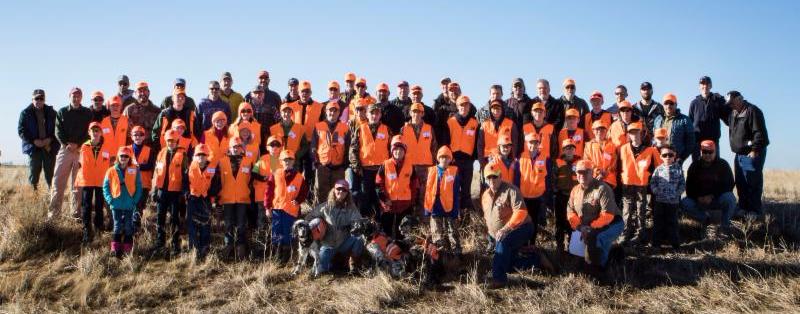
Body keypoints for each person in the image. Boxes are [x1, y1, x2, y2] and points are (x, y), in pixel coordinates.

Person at [482, 163, 551, 289]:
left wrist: (505, 229)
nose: (492, 180)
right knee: (507, 264)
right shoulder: (485, 196)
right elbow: (488, 218)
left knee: (503, 242)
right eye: (489, 178)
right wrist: (491, 236)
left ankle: (499, 279)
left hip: (522, 228)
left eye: (495, 177)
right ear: (485, 180)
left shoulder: (511, 190)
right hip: (500, 234)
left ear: (500, 176)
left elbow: (521, 212)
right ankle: (537, 260)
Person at [566, 160, 623, 275]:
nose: (582, 175)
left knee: (594, 240)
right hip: (586, 227)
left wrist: (589, 229)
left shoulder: (602, 188)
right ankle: (613, 252)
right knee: (576, 254)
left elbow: (607, 215)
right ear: (576, 174)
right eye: (579, 172)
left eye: (585, 172)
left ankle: (598, 273)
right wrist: (579, 227)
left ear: (592, 173)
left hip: (612, 223)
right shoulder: (575, 190)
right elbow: (570, 212)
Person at [49, 87, 93, 220]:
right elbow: (57, 130)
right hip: (65, 149)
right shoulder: (62, 112)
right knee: (58, 183)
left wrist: (78, 145)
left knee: (77, 185)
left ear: (82, 97)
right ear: (69, 96)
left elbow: (90, 131)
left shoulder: (87, 112)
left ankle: (75, 214)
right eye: (73, 96)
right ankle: (53, 215)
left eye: (78, 95)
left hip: (81, 151)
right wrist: (67, 144)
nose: (76, 98)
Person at [725, 90, 769, 217]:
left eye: (732, 103)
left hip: (751, 153)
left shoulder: (753, 111)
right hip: (739, 154)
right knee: (740, 182)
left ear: (740, 99)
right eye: (729, 104)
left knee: (752, 182)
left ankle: (754, 210)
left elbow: (759, 133)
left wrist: (755, 150)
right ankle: (743, 207)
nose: (731, 106)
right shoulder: (733, 113)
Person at [306, 180, 365, 275]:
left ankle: (353, 266)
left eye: (344, 190)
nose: (341, 192)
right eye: (338, 189)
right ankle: (332, 263)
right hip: (327, 245)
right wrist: (316, 228)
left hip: (344, 243)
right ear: (334, 190)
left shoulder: (351, 208)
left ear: (347, 193)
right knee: (317, 272)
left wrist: (357, 226)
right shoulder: (325, 207)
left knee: (359, 239)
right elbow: (308, 218)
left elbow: (359, 222)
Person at [681, 140, 737, 239]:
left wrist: (712, 196)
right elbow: (689, 188)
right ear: (701, 152)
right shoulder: (694, 166)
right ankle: (705, 219)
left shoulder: (723, 165)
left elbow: (729, 184)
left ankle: (724, 227)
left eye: (710, 152)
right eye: (704, 152)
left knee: (730, 198)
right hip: (699, 201)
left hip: (716, 199)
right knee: (684, 203)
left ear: (715, 151)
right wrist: (698, 197)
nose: (707, 154)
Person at [265, 149, 309, 263]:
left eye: (290, 160)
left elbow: (304, 192)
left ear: (293, 161)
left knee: (288, 233)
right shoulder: (274, 174)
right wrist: (267, 207)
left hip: (290, 211)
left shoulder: (299, 177)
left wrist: (299, 200)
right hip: (277, 209)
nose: (287, 162)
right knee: (276, 232)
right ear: (280, 161)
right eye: (285, 160)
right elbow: (268, 192)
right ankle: (275, 256)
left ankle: (286, 258)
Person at [150, 129, 189, 255]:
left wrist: (183, 192)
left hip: (175, 192)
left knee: (174, 218)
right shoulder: (161, 153)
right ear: (166, 141)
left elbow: (186, 175)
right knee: (160, 217)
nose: (171, 143)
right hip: (162, 190)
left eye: (173, 140)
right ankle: (160, 241)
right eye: (169, 141)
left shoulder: (183, 155)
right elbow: (157, 172)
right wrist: (154, 190)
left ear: (177, 140)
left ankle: (175, 243)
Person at [618, 122, 657, 245]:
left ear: (642, 133)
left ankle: (640, 234)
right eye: (631, 132)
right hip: (627, 183)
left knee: (641, 209)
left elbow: (659, 166)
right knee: (627, 210)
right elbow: (618, 166)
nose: (634, 134)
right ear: (628, 134)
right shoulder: (623, 148)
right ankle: (625, 233)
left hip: (642, 184)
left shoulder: (650, 150)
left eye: (636, 131)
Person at [76, 122, 115, 244]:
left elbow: (110, 164)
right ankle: (87, 230)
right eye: (93, 131)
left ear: (101, 133)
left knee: (99, 206)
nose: (95, 133)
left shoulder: (107, 147)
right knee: (86, 206)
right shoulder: (83, 147)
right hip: (87, 181)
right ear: (89, 133)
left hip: (100, 181)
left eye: (98, 130)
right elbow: (79, 164)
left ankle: (99, 228)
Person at [349, 103, 390, 218]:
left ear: (380, 115)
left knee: (379, 198)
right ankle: (365, 224)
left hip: (381, 171)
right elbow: (353, 150)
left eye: (377, 113)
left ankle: (379, 225)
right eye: (372, 113)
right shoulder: (360, 129)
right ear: (367, 114)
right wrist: (357, 168)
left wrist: (389, 168)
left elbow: (392, 150)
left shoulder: (387, 130)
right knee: (364, 198)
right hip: (365, 170)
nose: (374, 116)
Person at [218, 136, 256, 259]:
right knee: (228, 223)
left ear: (242, 148)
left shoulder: (248, 161)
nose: (236, 149)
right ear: (229, 148)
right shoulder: (222, 162)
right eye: (234, 146)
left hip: (242, 198)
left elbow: (251, 180)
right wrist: (218, 199)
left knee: (241, 224)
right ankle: (228, 247)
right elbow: (219, 181)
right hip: (227, 198)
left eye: (238, 146)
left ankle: (240, 248)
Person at [375, 135, 419, 238]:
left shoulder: (410, 166)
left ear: (405, 151)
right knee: (386, 230)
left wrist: (412, 202)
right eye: (395, 150)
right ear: (391, 151)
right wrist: (385, 199)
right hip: (388, 204)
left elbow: (415, 186)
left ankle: (401, 250)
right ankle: (387, 250)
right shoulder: (385, 165)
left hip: (405, 205)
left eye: (401, 149)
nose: (398, 152)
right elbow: (378, 184)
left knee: (403, 232)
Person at [512, 133, 553, 244]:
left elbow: (548, 177)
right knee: (522, 221)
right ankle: (523, 244)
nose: (533, 145)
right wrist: (516, 194)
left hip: (537, 197)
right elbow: (516, 177)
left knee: (534, 221)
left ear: (539, 143)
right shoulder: (520, 157)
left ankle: (532, 243)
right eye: (531, 142)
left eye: (536, 142)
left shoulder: (546, 158)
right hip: (523, 196)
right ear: (526, 143)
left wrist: (546, 193)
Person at [102, 146, 143, 258]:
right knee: (117, 225)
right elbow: (105, 187)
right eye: (121, 156)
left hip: (129, 204)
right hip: (116, 204)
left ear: (129, 157)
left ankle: (127, 249)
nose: (124, 158)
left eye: (126, 156)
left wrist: (135, 200)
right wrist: (110, 200)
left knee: (129, 226)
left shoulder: (135, 169)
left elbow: (139, 186)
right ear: (118, 157)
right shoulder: (111, 170)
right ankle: (115, 249)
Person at [185, 144, 222, 260]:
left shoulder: (213, 169)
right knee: (192, 226)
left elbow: (217, 184)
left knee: (205, 225)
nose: (201, 157)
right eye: (198, 155)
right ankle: (194, 251)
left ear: (207, 156)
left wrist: (212, 194)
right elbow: (184, 183)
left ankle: (204, 250)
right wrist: (186, 194)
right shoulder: (189, 168)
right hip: (193, 199)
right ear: (195, 156)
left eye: (203, 155)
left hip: (206, 200)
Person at [424, 146, 462, 256]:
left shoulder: (454, 172)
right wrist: (427, 209)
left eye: (447, 157)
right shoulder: (431, 171)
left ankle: (457, 256)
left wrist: (455, 211)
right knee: (437, 235)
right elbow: (428, 191)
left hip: (450, 207)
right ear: (438, 158)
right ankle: (440, 257)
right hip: (435, 207)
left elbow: (456, 193)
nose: (444, 160)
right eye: (442, 157)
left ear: (451, 159)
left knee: (453, 232)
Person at [19, 89, 59, 191]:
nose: (39, 100)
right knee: (34, 173)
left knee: (50, 174)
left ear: (44, 100)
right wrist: (33, 141)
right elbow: (21, 131)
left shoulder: (52, 113)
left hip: (48, 148)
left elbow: (58, 129)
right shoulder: (25, 113)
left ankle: (52, 196)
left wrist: (49, 139)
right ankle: (34, 197)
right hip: (34, 148)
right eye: (37, 98)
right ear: (32, 99)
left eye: (41, 98)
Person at [445, 95, 479, 214]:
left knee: (466, 191)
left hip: (468, 162)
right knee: (453, 189)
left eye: (466, 105)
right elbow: (446, 142)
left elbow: (477, 142)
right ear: (457, 106)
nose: (464, 107)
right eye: (461, 105)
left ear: (469, 106)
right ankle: (453, 216)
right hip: (454, 161)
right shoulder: (451, 122)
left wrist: (473, 158)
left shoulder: (475, 123)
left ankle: (465, 219)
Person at [400, 103, 438, 211]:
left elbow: (434, 147)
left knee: (424, 194)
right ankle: (410, 221)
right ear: (410, 113)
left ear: (423, 114)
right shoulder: (403, 129)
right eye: (414, 112)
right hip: (409, 167)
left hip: (425, 167)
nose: (416, 114)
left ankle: (423, 222)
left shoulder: (429, 129)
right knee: (410, 194)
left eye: (419, 112)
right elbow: (399, 148)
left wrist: (433, 165)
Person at [311, 102, 350, 205]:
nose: (332, 113)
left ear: (339, 113)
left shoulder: (345, 128)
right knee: (321, 194)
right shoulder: (318, 126)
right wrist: (316, 162)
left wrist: (344, 164)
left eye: (335, 110)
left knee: (337, 194)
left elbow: (348, 147)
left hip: (338, 167)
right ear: (326, 112)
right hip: (322, 166)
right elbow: (313, 146)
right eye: (330, 110)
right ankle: (320, 217)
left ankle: (335, 217)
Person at [649, 145, 685, 250]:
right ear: (661, 157)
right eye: (665, 155)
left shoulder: (678, 169)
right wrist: (656, 191)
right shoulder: (658, 169)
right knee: (658, 223)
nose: (668, 157)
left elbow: (682, 184)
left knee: (672, 223)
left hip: (673, 203)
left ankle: (675, 245)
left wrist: (677, 193)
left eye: (670, 155)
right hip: (660, 201)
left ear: (675, 156)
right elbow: (652, 182)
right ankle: (656, 245)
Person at [288, 81, 325, 179]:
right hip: (296, 144)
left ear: (311, 93)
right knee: (295, 172)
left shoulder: (319, 107)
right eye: (302, 91)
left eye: (307, 91)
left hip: (311, 144)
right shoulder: (291, 107)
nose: (305, 93)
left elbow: (323, 126)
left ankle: (309, 193)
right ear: (299, 92)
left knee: (310, 173)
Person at [689, 76, 728, 161]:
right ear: (699, 86)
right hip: (697, 141)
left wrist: (723, 99)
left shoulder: (717, 101)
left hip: (713, 140)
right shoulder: (694, 103)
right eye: (702, 84)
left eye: (707, 84)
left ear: (711, 86)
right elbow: (690, 122)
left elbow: (727, 118)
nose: (705, 86)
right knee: (697, 166)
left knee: (714, 166)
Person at [252, 136, 283, 239]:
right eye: (272, 145)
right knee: (262, 220)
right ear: (267, 147)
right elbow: (254, 173)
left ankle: (275, 244)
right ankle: (262, 245)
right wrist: (263, 178)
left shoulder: (284, 160)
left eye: (277, 145)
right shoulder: (261, 159)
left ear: (281, 147)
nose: (274, 147)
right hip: (262, 195)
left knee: (277, 221)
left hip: (278, 197)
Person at [653, 93, 695, 165]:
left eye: (671, 103)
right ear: (663, 105)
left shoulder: (685, 120)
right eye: (666, 103)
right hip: (658, 159)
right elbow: (654, 139)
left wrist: (681, 158)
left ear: (676, 105)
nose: (668, 106)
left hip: (675, 160)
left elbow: (691, 143)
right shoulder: (657, 119)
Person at [553, 139, 579, 252]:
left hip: (575, 198)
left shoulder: (579, 163)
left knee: (572, 222)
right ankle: (559, 247)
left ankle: (572, 247)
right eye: (567, 148)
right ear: (563, 150)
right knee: (559, 222)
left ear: (574, 150)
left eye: (572, 148)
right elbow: (553, 180)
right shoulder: (557, 163)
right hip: (561, 197)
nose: (569, 150)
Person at [127, 126, 154, 231]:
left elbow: (150, 166)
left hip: (144, 184)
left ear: (144, 137)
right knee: (129, 206)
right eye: (135, 135)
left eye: (140, 135)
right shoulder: (127, 149)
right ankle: (128, 227)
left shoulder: (149, 150)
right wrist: (141, 165)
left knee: (139, 206)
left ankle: (135, 228)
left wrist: (136, 166)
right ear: (131, 136)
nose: (138, 137)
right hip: (129, 183)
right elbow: (122, 164)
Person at [583, 120, 618, 189]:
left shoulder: (612, 145)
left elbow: (614, 163)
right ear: (593, 131)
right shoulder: (588, 145)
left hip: (609, 180)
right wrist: (598, 172)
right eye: (597, 129)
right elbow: (587, 162)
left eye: (602, 129)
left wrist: (605, 173)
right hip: (593, 178)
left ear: (606, 131)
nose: (600, 131)